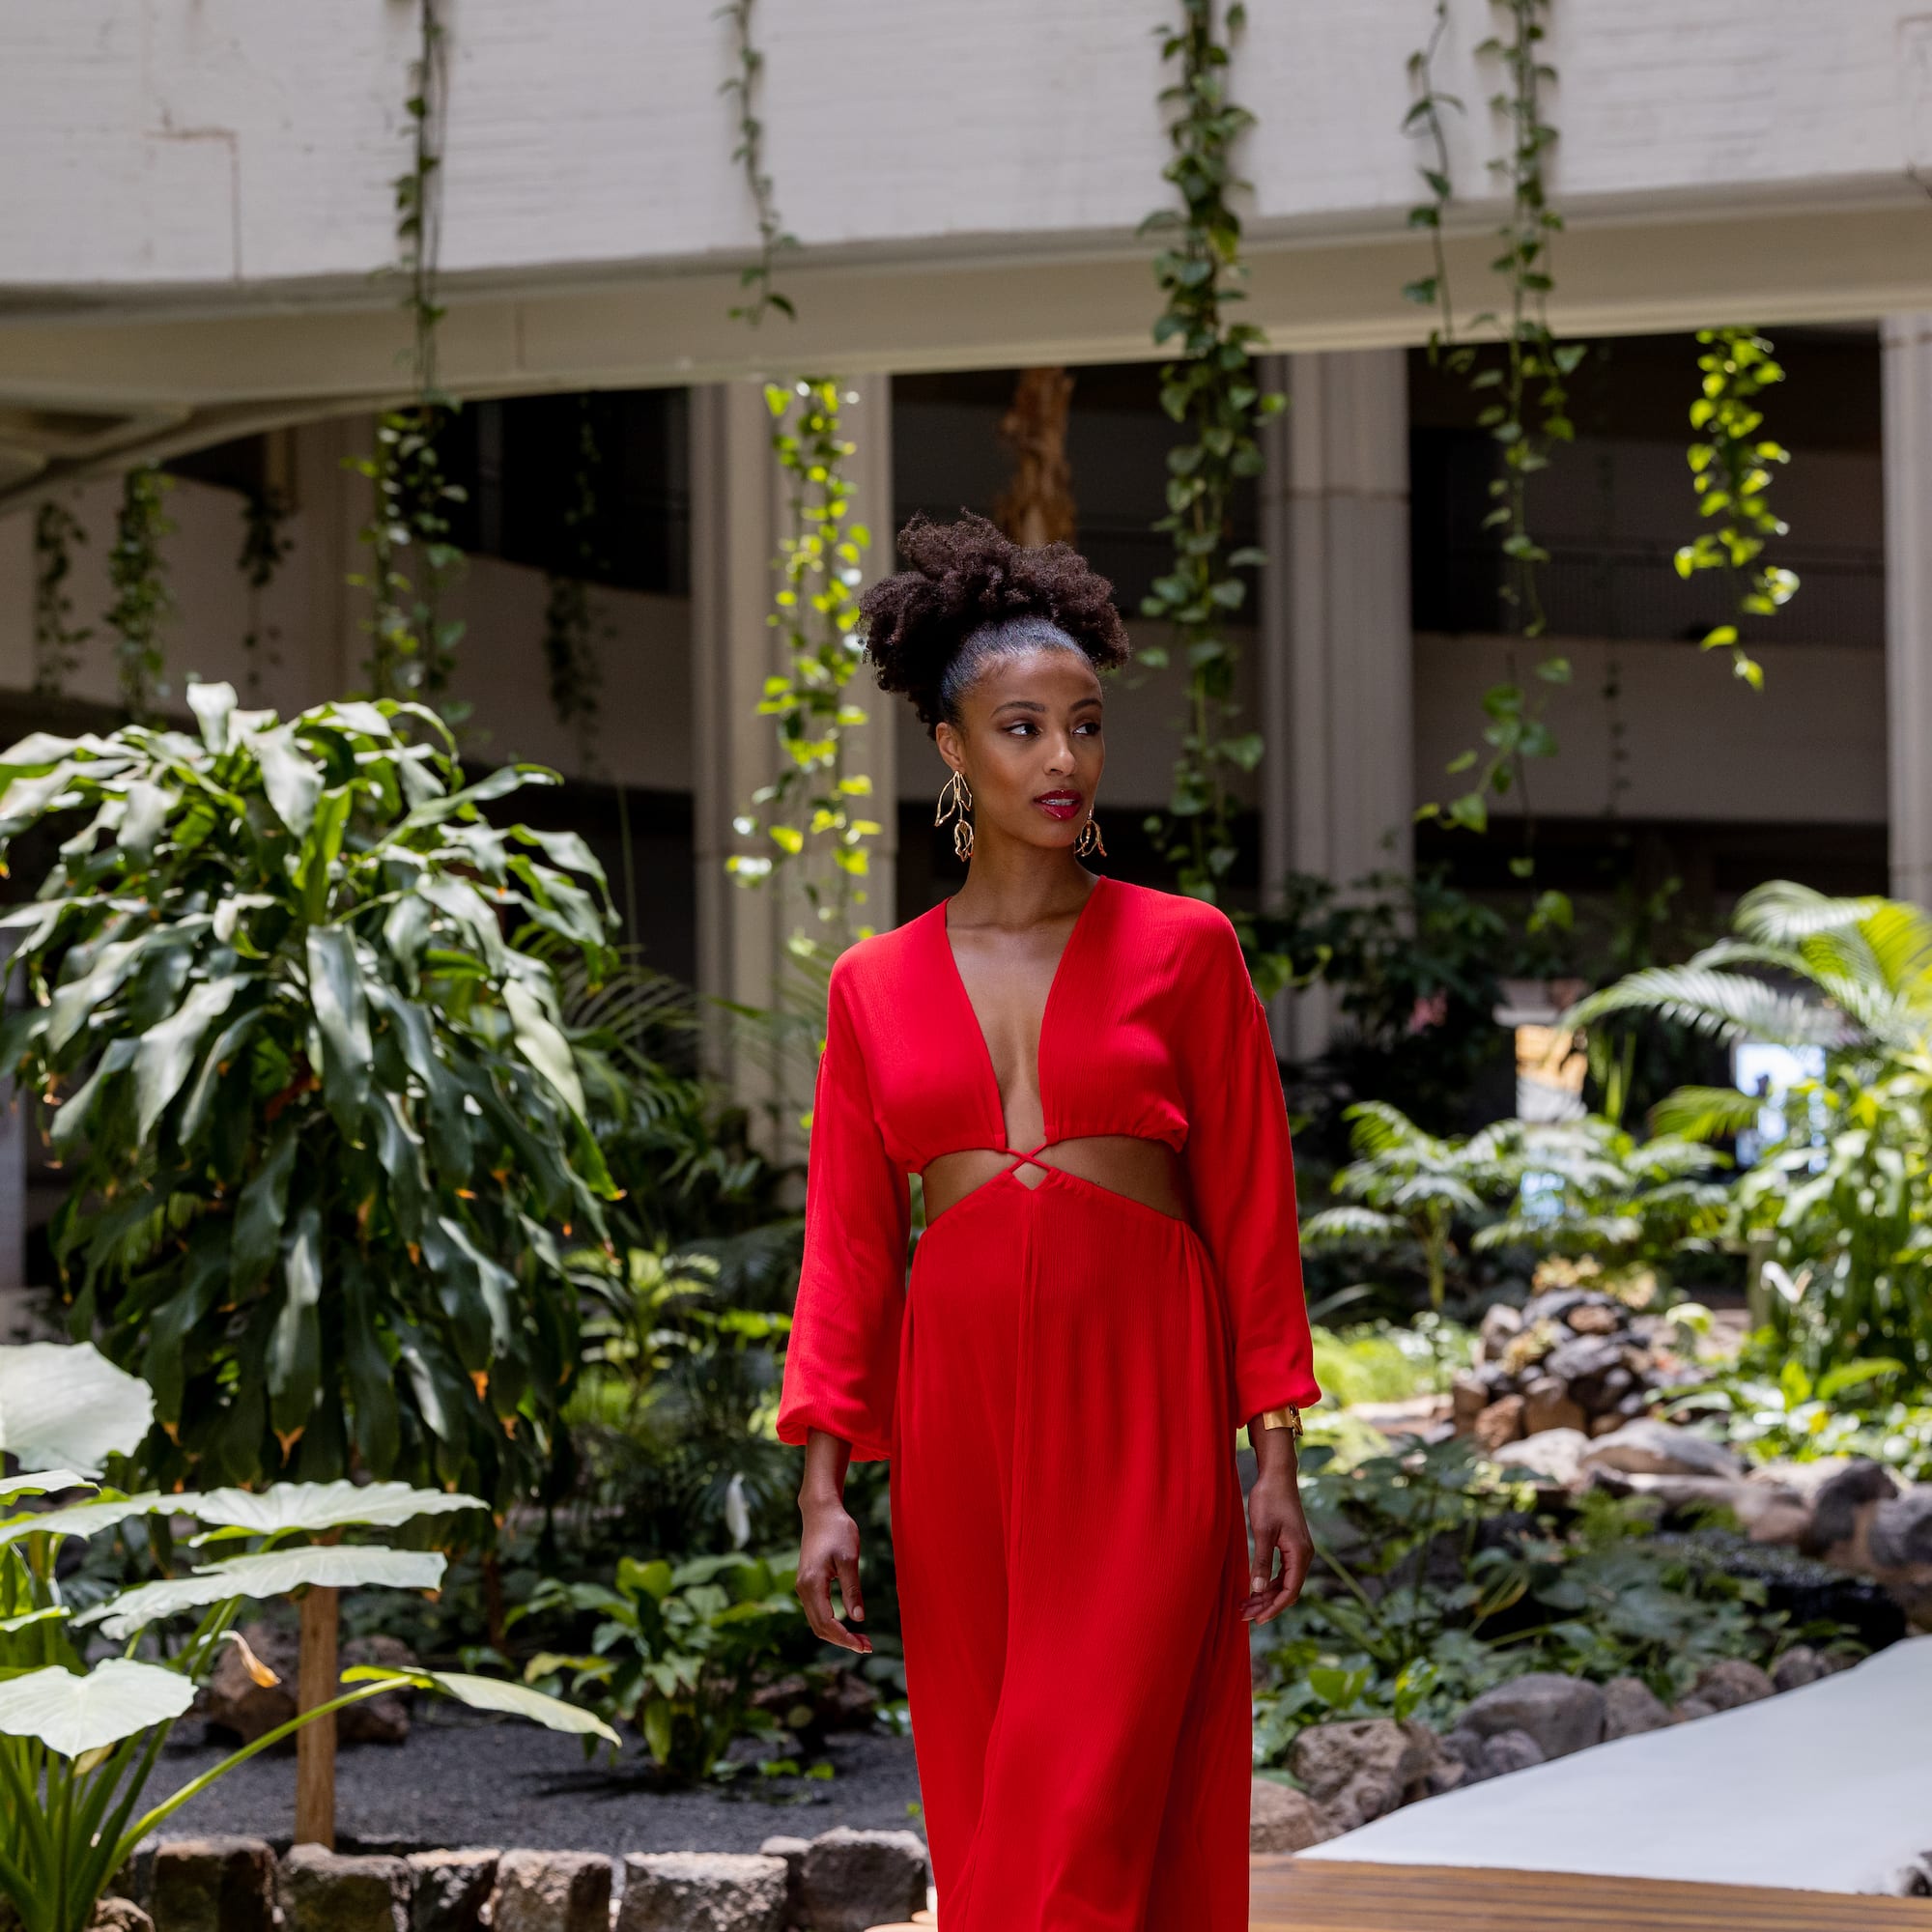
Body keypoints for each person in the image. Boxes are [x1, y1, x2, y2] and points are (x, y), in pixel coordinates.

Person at [776, 512, 1320, 1932]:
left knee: (1083, 1781)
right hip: (961, 1415)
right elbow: (846, 1249)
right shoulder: (871, 985)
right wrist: (825, 1488)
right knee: (993, 1776)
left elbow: (1253, 1205)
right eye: (1022, 727)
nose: (1062, 758)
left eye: (1083, 724)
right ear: (952, 748)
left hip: (1145, 1389)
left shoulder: (1187, 949)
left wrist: (1276, 1448)